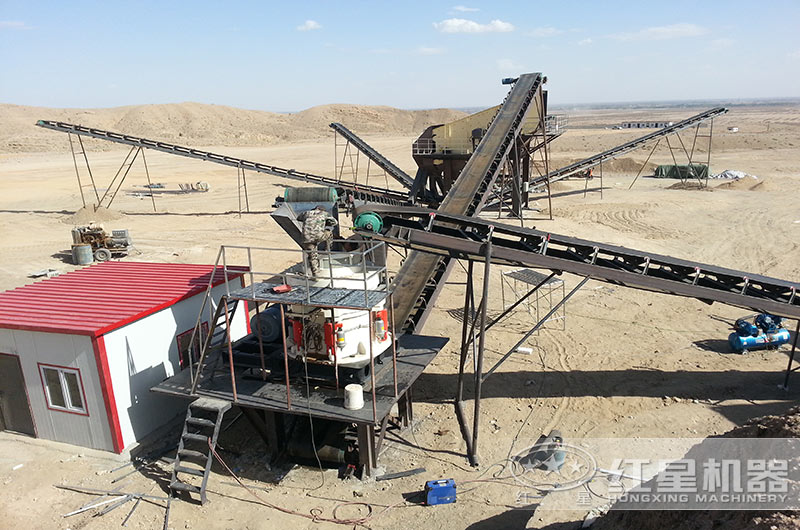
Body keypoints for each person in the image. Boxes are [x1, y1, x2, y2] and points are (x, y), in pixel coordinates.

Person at [297, 205, 337, 275]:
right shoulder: (325, 214)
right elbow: (335, 222)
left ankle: (315, 273)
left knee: (312, 255)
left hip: (306, 238)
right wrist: (325, 223)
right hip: (319, 236)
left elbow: (299, 218)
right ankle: (328, 249)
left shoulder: (306, 213)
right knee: (329, 232)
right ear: (322, 210)